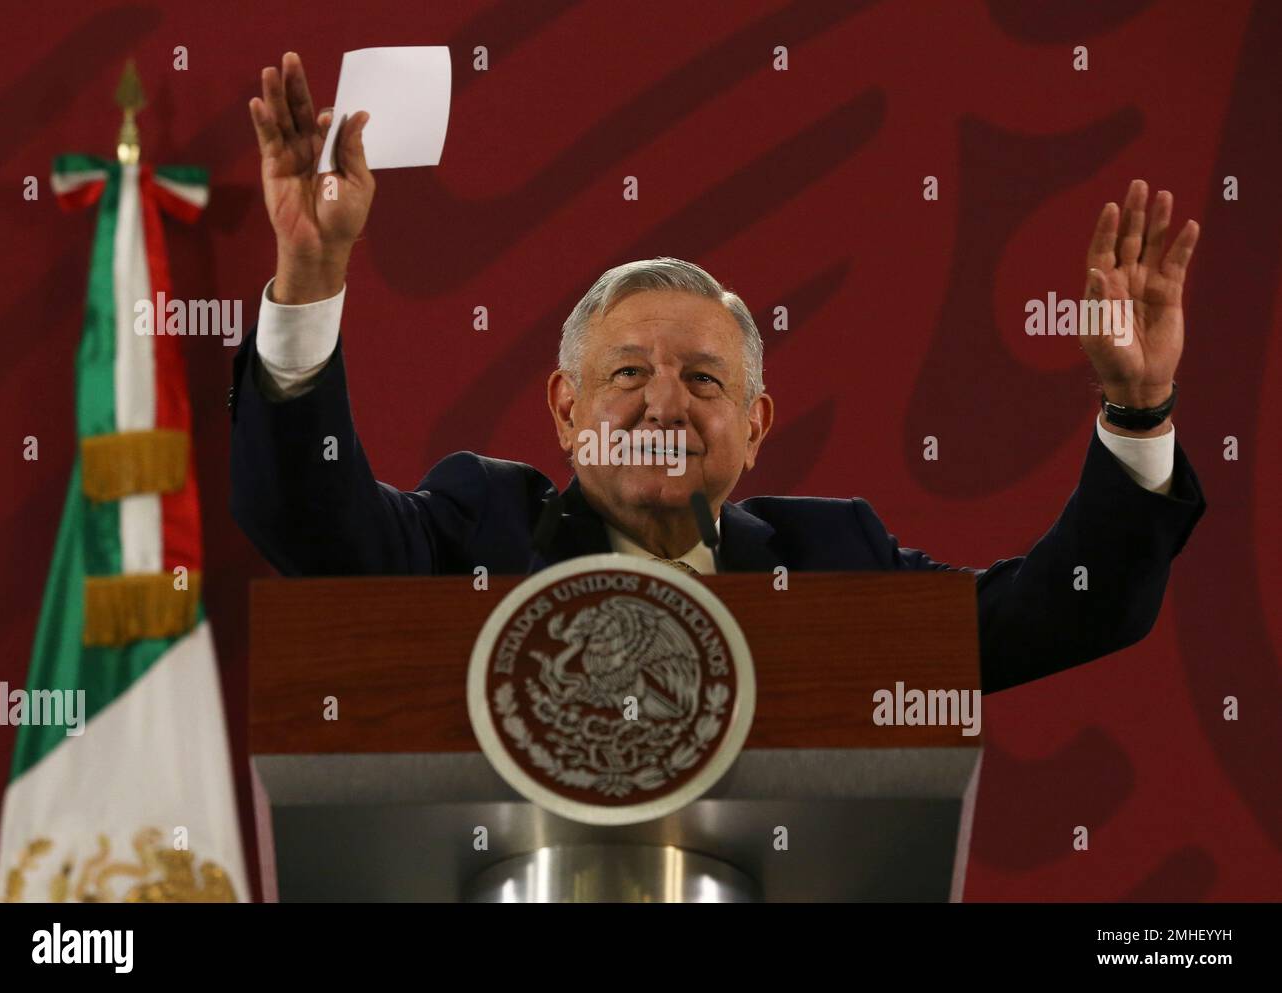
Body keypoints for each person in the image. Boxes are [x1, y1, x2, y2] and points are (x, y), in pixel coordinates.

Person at [232, 53, 1206, 693]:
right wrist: (311, 273)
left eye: (704, 382)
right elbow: (311, 522)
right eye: (626, 374)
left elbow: (1071, 609)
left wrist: (1136, 408)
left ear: (755, 425)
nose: (664, 399)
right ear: (565, 411)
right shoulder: (475, 524)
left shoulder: (835, 560)